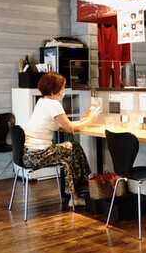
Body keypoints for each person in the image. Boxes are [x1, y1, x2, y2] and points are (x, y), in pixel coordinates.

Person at [23, 72, 100, 206]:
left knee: (71, 149)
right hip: (39, 155)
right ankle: (79, 191)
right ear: (55, 88)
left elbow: (63, 125)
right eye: (62, 87)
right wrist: (91, 120)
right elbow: (70, 128)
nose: (63, 90)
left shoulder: (42, 102)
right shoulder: (54, 104)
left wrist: (83, 121)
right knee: (73, 148)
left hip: (28, 155)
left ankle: (77, 192)